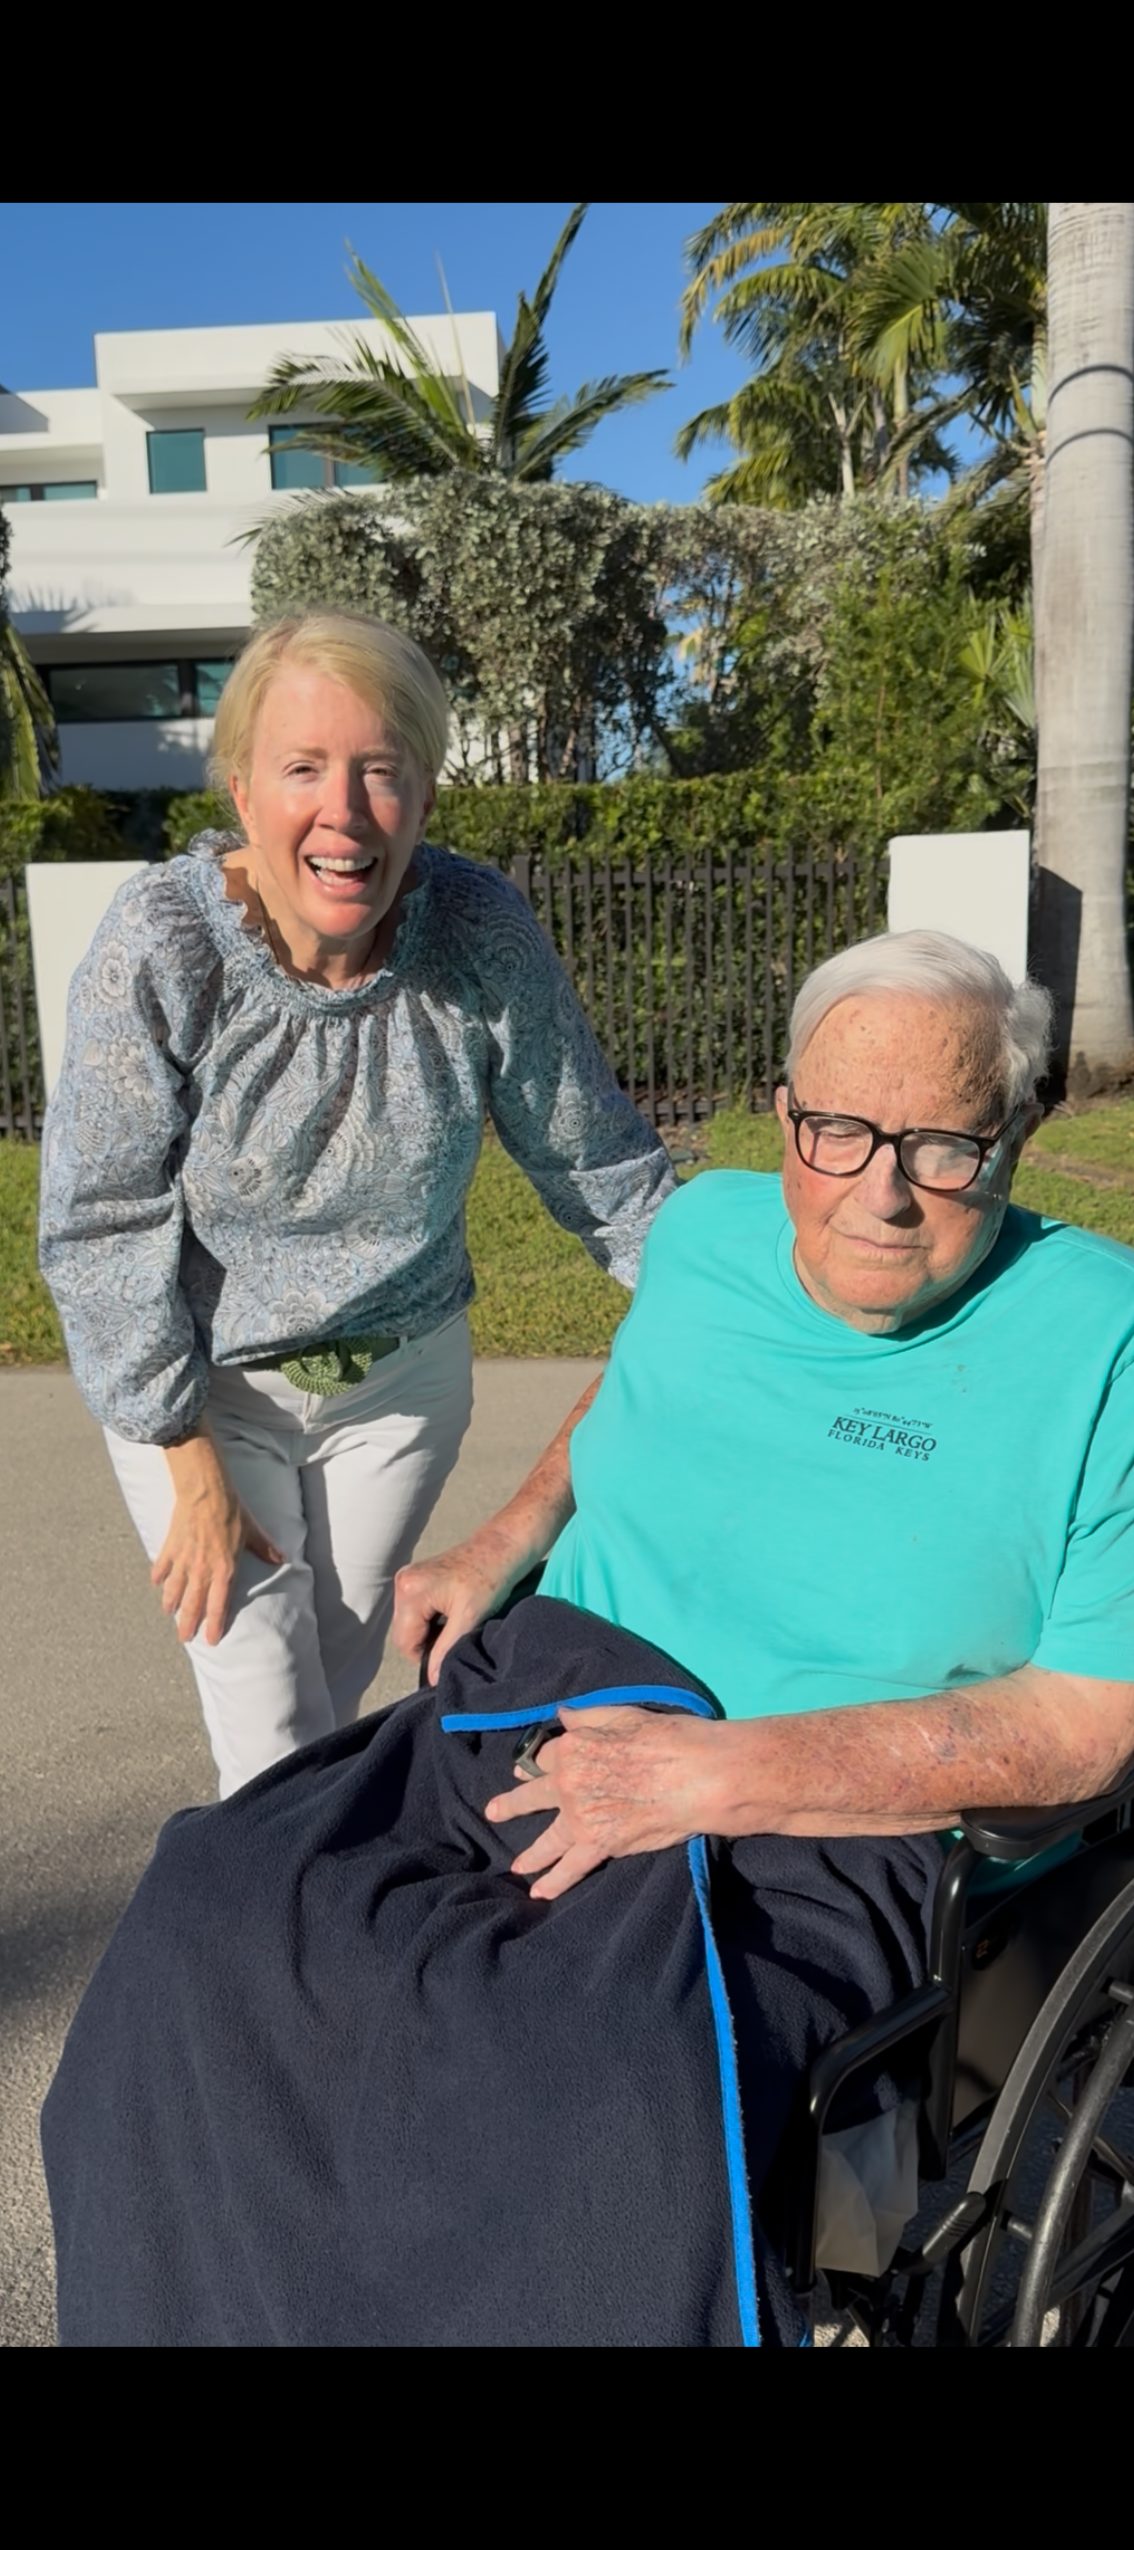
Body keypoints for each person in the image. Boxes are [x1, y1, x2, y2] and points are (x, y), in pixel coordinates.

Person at [41, 929, 1134, 2349]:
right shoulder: (710, 1230)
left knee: (566, 2075)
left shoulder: (1099, 1336)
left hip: (823, 1815)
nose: (877, 1188)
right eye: (838, 1131)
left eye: (937, 1144)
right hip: (549, 1692)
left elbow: (1082, 1729)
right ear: (785, 1109)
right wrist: (500, 1540)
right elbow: (634, 1386)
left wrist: (711, 1776)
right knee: (216, 1909)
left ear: (1010, 1134)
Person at [38, 610, 673, 1796]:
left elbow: (597, 1163)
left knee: (323, 1704)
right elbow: (102, 1222)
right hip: (207, 1392)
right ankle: (268, 1956)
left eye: (383, 769)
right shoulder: (163, 946)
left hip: (400, 1389)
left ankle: (305, 1922)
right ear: (241, 792)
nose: (345, 808)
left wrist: (734, 1284)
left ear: (425, 793)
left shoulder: (479, 933)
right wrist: (185, 1461)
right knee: (270, 1728)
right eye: (304, 768)